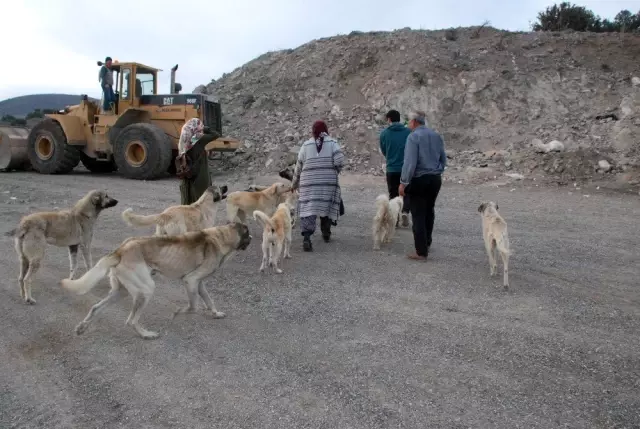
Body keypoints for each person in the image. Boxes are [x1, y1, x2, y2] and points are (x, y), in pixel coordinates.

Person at [399, 110, 447, 261]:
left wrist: (403, 183)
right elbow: (443, 159)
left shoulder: (413, 137)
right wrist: (437, 171)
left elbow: (410, 163)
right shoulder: (436, 135)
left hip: (419, 178)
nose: (408, 124)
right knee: (429, 211)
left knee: (418, 214)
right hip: (435, 179)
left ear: (414, 122)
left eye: (408, 121)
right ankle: (427, 242)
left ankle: (421, 252)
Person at [291, 120, 345, 252]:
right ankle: (326, 233)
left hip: (308, 183)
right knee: (325, 206)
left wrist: (294, 183)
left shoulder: (305, 145)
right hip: (327, 183)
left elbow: (298, 167)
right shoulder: (333, 143)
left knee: (308, 209)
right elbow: (340, 161)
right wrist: (334, 171)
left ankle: (307, 238)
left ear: (313, 131)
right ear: (326, 130)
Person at [379, 109, 411, 227]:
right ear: (399, 119)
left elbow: (383, 150)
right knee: (407, 192)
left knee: (393, 194)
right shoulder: (408, 132)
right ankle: (406, 211)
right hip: (405, 168)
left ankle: (395, 219)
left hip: (391, 168)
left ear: (389, 119)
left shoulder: (384, 133)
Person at [178, 118, 213, 205]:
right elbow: (216, 134)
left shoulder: (183, 142)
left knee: (187, 201)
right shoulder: (196, 141)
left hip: (187, 175)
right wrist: (205, 129)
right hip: (198, 175)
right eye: (200, 126)